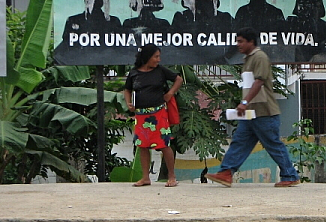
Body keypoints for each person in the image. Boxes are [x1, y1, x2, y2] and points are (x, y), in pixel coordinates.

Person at [205, 27, 300, 187]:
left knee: (273, 144)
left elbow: (259, 81)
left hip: (264, 112)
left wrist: (244, 102)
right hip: (251, 113)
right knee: (240, 141)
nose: (238, 45)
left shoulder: (260, 57)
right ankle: (226, 172)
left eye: (241, 41)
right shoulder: (248, 59)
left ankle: (290, 175)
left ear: (251, 42)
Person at [124, 44, 183, 187]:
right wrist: (129, 103)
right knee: (142, 146)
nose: (158, 60)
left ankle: (172, 176)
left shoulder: (160, 71)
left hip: (158, 114)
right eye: (155, 56)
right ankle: (145, 178)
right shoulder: (134, 73)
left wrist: (170, 93)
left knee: (164, 144)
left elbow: (178, 79)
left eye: (158, 56)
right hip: (141, 115)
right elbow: (127, 89)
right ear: (147, 57)